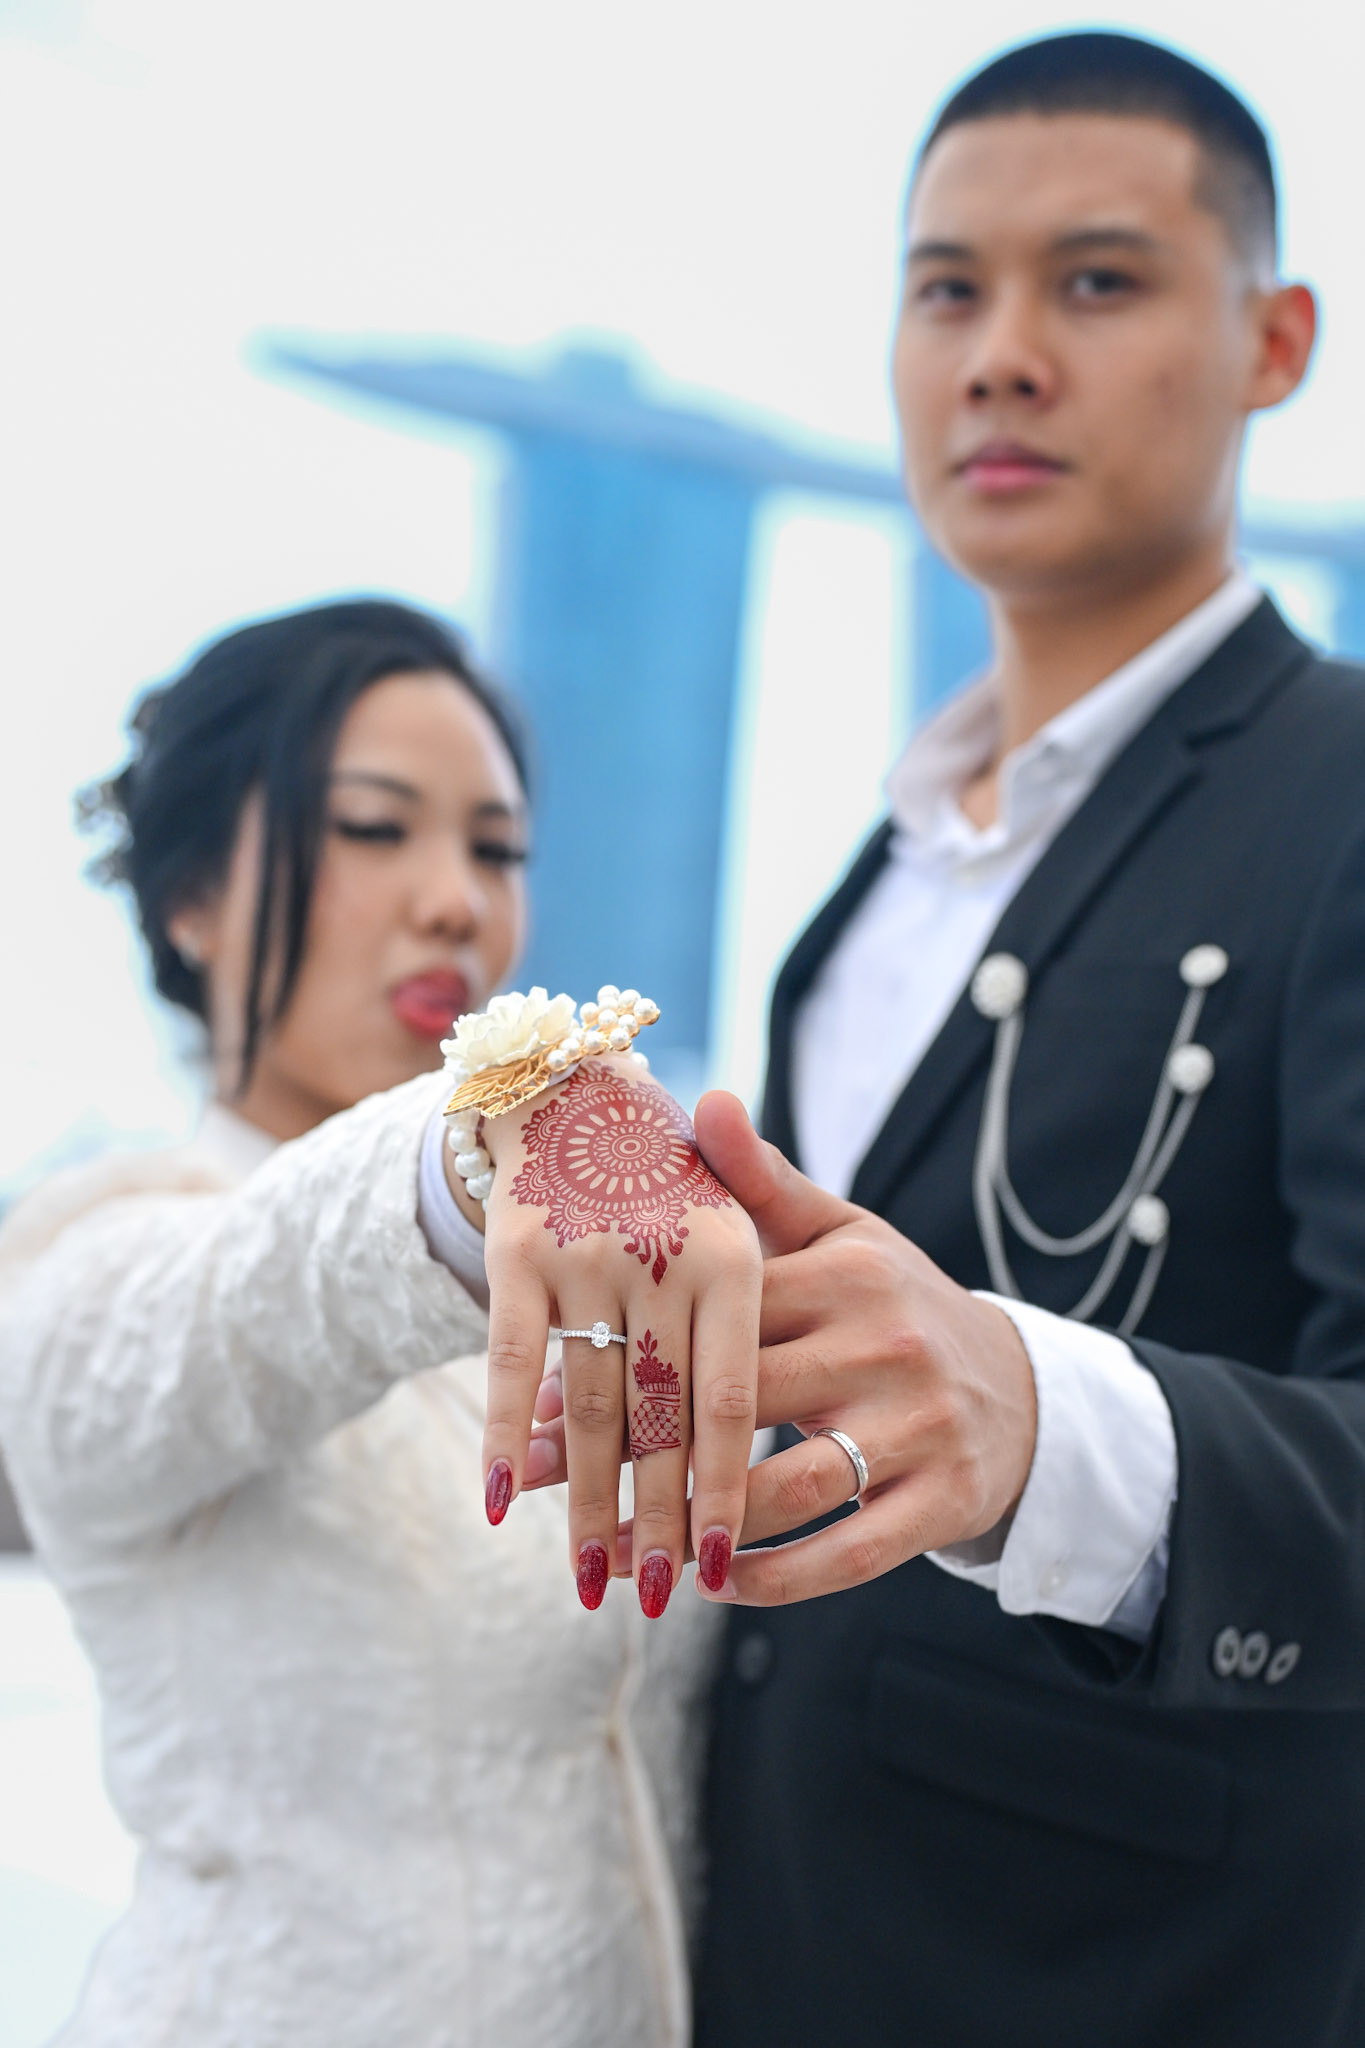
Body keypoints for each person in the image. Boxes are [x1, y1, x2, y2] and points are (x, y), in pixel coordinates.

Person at [515, 30, 1365, 2045]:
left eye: (1096, 281)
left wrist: (1041, 1417)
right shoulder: (873, 878)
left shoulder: (1338, 794)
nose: (999, 358)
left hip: (1135, 1980)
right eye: (944, 290)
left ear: (1271, 341)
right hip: (772, 1942)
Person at [0, 597, 759, 2048]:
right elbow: (256, 1295)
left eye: (497, 850)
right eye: (372, 828)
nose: (455, 902)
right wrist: (486, 1140)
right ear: (191, 899)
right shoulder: (95, 1261)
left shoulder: (608, 1276)